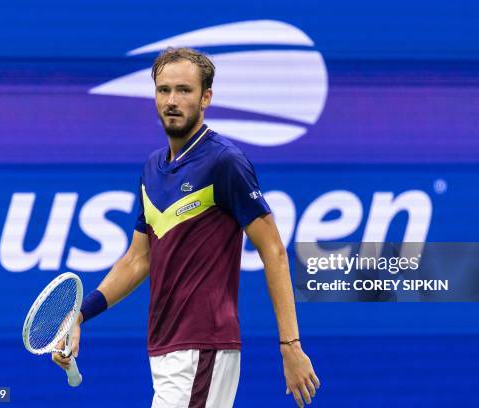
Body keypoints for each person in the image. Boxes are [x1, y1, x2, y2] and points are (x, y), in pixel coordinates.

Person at [53, 47, 319, 408]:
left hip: (202, 346)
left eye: (184, 90)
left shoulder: (225, 162)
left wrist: (291, 345)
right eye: (164, 90)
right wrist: (80, 315)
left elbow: (272, 250)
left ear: (206, 97)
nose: (172, 100)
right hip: (165, 346)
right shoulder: (152, 168)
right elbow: (137, 259)